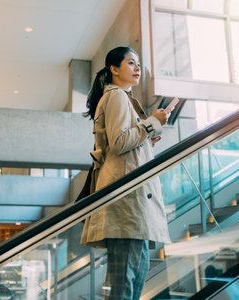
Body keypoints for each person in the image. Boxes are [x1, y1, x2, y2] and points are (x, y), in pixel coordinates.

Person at [80, 46, 171, 299]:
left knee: (132, 276)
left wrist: (146, 137)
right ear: (114, 69)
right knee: (125, 281)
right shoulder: (117, 96)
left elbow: (119, 143)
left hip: (130, 204)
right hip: (126, 202)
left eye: (138, 64)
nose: (137, 68)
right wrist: (152, 123)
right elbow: (120, 142)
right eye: (131, 63)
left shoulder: (120, 98)